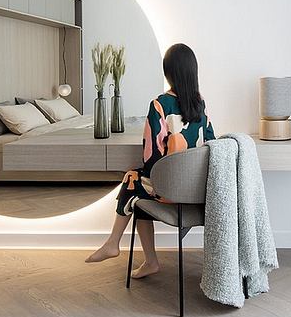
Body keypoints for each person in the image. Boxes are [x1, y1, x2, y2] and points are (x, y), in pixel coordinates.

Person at [86, 43, 216, 277]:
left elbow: (151, 156)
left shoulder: (159, 105)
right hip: (197, 191)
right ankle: (136, 255)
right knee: (137, 187)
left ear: (168, 72)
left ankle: (118, 245)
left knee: (133, 179)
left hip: (169, 192)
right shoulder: (200, 103)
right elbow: (211, 142)